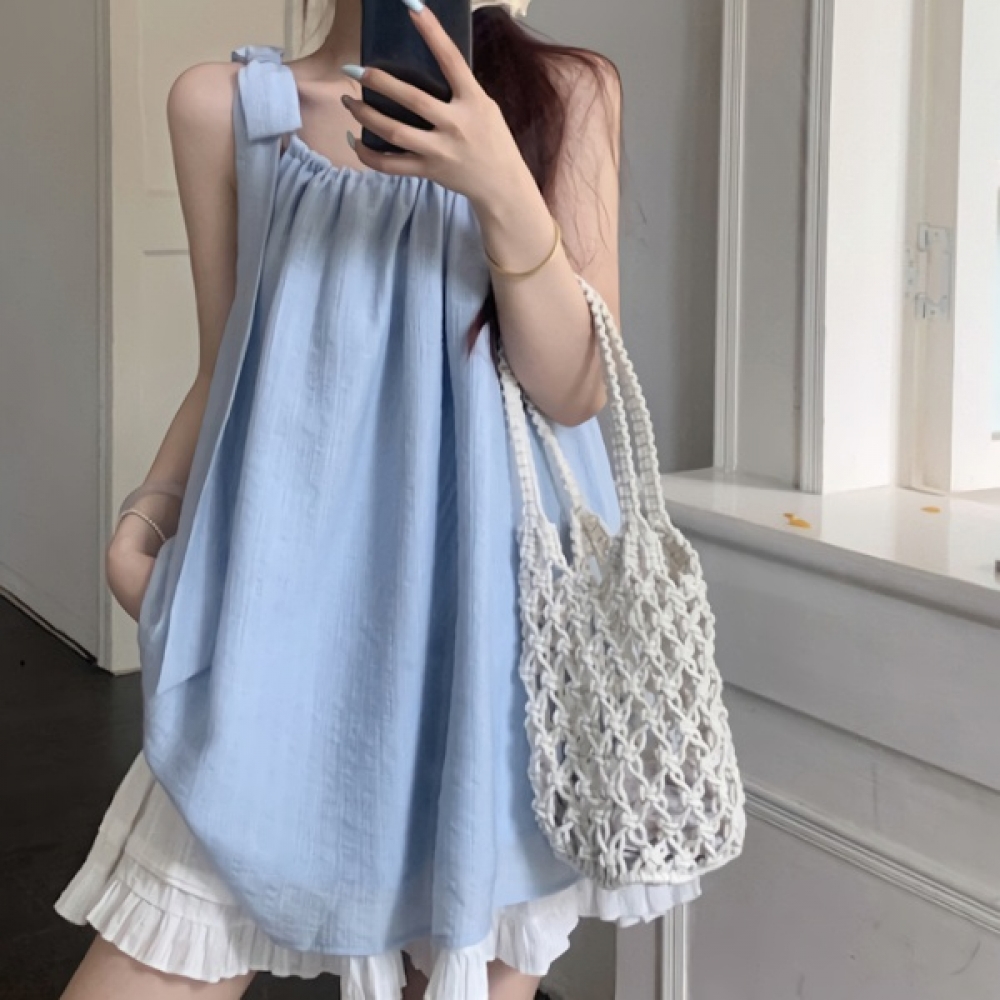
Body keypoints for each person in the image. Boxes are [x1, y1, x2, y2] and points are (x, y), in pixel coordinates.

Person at [55, 1, 701, 998]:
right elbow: (227, 361)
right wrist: (147, 515)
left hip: (492, 642)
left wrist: (498, 181)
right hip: (276, 629)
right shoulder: (222, 107)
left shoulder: (566, 93)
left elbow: (576, 389)